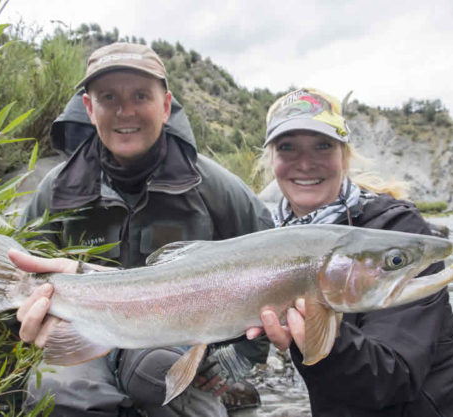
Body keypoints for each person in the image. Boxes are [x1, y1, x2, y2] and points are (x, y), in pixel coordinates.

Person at [14, 42, 273, 417]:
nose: (125, 112)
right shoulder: (57, 192)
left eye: (140, 96)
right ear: (89, 108)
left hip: (173, 347)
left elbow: (278, 276)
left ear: (166, 106)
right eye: (108, 98)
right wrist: (24, 324)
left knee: (164, 378)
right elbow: (15, 282)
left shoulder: (218, 191)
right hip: (83, 336)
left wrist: (237, 358)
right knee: (58, 391)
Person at [249, 87, 453, 416]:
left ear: (344, 156)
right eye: (288, 148)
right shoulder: (266, 243)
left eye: (323, 146)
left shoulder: (399, 234)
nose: (305, 163)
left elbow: (394, 378)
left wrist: (322, 340)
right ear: (272, 161)